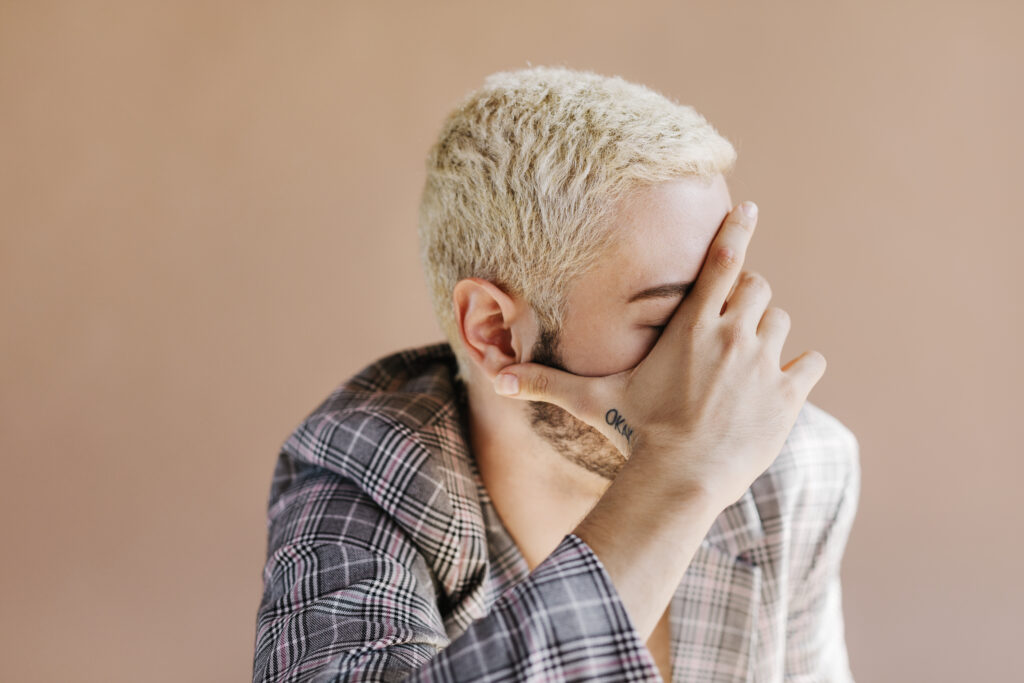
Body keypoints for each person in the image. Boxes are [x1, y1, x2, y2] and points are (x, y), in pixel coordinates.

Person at [252, 66, 860, 682]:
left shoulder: (798, 465)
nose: (718, 362)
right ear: (493, 331)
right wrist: (675, 475)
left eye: (722, 306)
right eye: (670, 319)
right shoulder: (362, 470)